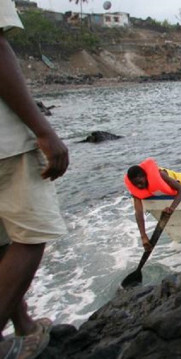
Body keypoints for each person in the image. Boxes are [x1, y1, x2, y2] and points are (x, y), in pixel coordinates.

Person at [0, 0, 69, 357]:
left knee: (4, 240)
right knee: (31, 235)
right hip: (4, 143)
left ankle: (23, 327)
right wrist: (43, 130)